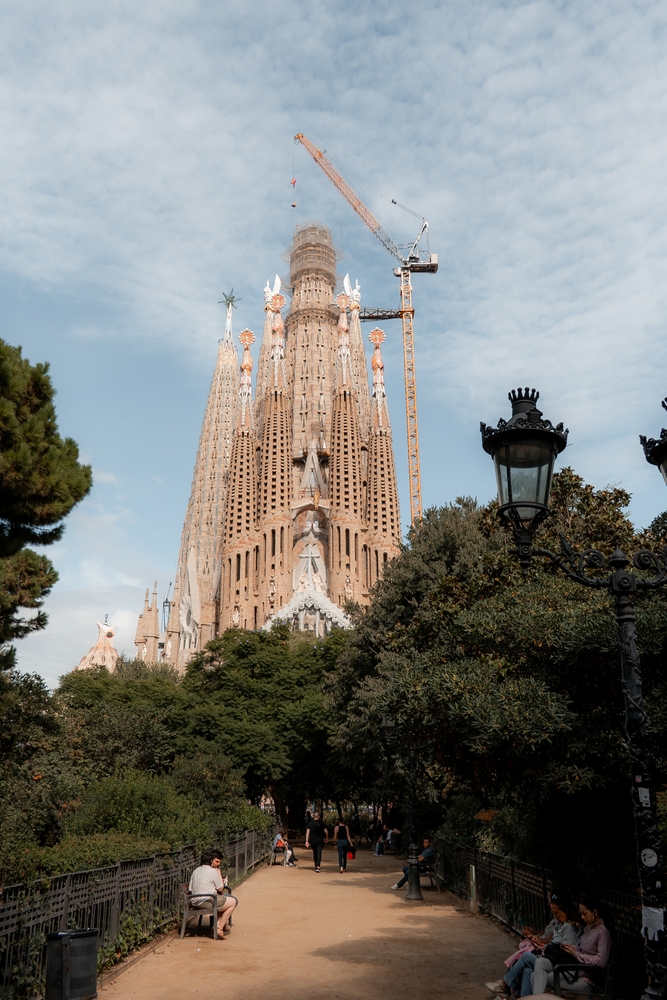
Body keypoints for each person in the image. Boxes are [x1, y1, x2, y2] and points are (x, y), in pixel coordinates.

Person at [485, 892, 582, 996]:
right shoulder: (560, 925)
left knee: (526, 957)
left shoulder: (569, 928)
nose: (555, 916)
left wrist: (543, 947)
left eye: (556, 913)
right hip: (550, 959)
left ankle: (505, 984)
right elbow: (553, 945)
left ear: (565, 911)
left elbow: (565, 953)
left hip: (558, 964)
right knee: (528, 970)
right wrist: (541, 946)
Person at [528, 896, 611, 996]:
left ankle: (536, 998)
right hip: (575, 970)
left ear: (595, 913)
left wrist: (576, 954)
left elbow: (601, 961)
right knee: (539, 965)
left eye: (585, 914)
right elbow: (583, 949)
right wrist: (571, 948)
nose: (582, 917)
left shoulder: (603, 932)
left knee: (536, 977)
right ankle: (537, 998)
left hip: (585, 978)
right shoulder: (589, 927)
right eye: (581, 913)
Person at [188, 850, 237, 940]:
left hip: (194, 902)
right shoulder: (212, 871)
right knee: (233, 902)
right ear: (211, 861)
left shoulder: (195, 871)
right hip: (206, 902)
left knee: (221, 901)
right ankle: (219, 928)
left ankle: (217, 925)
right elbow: (220, 888)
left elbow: (190, 889)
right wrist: (218, 872)